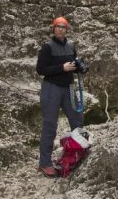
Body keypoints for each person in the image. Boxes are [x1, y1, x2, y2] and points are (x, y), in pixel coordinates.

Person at [36, 16, 84, 178]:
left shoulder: (71, 46)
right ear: (54, 28)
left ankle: (77, 152)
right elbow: (41, 69)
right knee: (50, 124)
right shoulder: (47, 48)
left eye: (64, 27)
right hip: (52, 88)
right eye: (58, 26)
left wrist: (79, 67)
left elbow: (73, 66)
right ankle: (45, 163)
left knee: (77, 120)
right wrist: (61, 68)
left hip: (68, 87)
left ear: (67, 29)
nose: (61, 29)